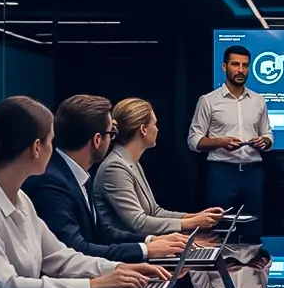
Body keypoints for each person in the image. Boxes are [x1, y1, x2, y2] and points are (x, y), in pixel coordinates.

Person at [0, 97, 170, 288]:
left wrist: (118, 269)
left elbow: (62, 258)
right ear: (37, 147)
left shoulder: (21, 199)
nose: (54, 150)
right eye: (51, 141)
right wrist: (93, 286)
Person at [24, 95, 188, 263]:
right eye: (111, 133)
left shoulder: (75, 174)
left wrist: (150, 241)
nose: (112, 140)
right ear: (97, 140)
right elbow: (76, 249)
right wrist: (145, 250)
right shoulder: (51, 183)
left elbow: (103, 232)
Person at [95, 98, 223, 235]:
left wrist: (196, 216)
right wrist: (193, 222)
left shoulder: (130, 162)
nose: (157, 129)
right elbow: (139, 223)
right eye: (154, 124)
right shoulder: (115, 167)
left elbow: (154, 212)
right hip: (126, 250)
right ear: (143, 130)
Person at [188, 45, 273, 220]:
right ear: (224, 67)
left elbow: (268, 133)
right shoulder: (208, 101)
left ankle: (252, 248)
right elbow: (193, 140)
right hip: (222, 173)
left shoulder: (258, 101)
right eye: (235, 64)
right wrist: (220, 142)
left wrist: (265, 141)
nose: (240, 70)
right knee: (219, 225)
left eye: (245, 65)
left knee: (253, 225)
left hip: (253, 173)